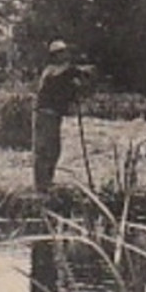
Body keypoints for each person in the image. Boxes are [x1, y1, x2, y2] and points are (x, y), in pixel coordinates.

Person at [33, 40, 93, 192]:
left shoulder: (64, 74)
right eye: (62, 52)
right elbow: (62, 75)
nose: (66, 55)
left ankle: (48, 181)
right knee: (44, 150)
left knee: (54, 150)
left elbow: (69, 90)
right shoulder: (51, 71)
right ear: (55, 56)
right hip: (45, 115)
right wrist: (78, 71)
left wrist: (77, 90)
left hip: (55, 116)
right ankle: (41, 184)